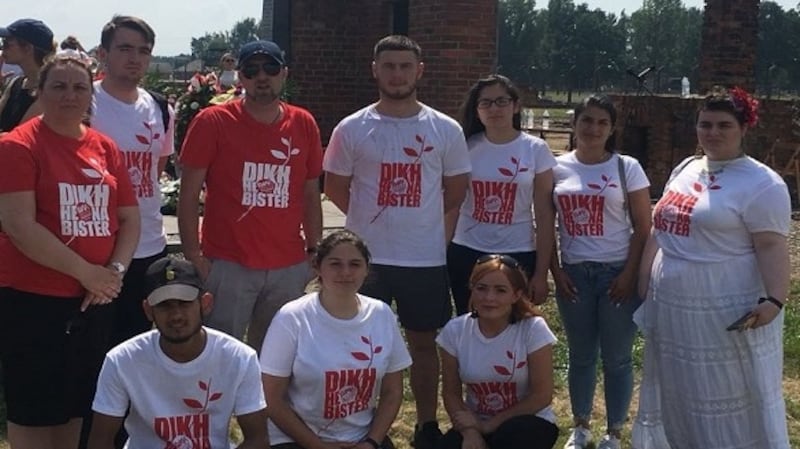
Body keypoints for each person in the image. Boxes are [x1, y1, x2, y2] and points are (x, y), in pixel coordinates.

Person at [323, 34, 471, 449]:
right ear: (375, 70)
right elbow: (335, 187)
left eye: (405, 66)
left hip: (422, 257)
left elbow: (455, 190)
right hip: (365, 259)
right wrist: (371, 220)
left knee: (423, 343)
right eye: (389, 66)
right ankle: (360, 425)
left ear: (419, 71)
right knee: (357, 342)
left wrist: (419, 222)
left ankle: (426, 424)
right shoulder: (352, 127)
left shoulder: (445, 129)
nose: (397, 74)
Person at [632, 86, 791, 449]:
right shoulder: (686, 168)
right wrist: (645, 278)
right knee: (681, 388)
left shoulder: (762, 183)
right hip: (673, 305)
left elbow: (771, 245)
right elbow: (661, 226)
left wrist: (774, 300)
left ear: (743, 128)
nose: (713, 132)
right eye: (705, 124)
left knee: (724, 388)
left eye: (724, 125)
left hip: (723, 305)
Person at [0, 54, 140, 449]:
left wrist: (113, 274)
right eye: (58, 86)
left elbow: (129, 219)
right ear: (40, 91)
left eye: (79, 87)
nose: (70, 95)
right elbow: (20, 226)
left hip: (94, 299)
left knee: (77, 404)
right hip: (33, 298)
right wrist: (87, 273)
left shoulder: (105, 147)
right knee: (34, 408)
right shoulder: (17, 146)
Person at [178, 39, 323, 350]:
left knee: (277, 357)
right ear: (240, 77)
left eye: (270, 68)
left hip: (287, 264)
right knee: (222, 353)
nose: (262, 76)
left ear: (284, 73)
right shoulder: (212, 121)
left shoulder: (303, 123)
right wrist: (194, 255)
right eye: (252, 70)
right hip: (228, 263)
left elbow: (311, 193)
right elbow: (188, 195)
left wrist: (314, 250)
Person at [551, 94, 651, 449]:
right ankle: (580, 426)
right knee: (580, 355)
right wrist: (556, 272)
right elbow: (546, 226)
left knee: (617, 358)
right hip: (574, 274)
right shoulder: (556, 168)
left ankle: (614, 432)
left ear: (612, 129)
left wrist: (629, 274)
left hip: (616, 274)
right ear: (574, 123)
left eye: (602, 123)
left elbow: (643, 226)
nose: (593, 129)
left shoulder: (627, 167)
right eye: (587, 120)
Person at [88, 257, 269, 449]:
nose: (176, 315)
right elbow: (100, 441)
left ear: (205, 303)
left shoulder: (240, 358)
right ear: (148, 310)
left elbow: (258, 440)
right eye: (164, 305)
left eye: (184, 303)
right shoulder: (121, 361)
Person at [260, 229, 411, 449]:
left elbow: (392, 392)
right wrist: (317, 446)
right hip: (296, 439)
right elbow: (272, 398)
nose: (345, 272)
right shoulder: (291, 318)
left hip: (362, 439)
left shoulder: (382, 315)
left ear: (366, 270)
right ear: (317, 268)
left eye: (355, 264)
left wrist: (371, 442)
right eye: (335, 264)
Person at [92, 15, 175, 347]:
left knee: (135, 343)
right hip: (96, 245)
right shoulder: (84, 102)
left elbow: (155, 170)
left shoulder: (160, 108)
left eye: (143, 51)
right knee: (91, 343)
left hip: (148, 244)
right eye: (125, 48)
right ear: (103, 54)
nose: (134, 58)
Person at [448, 74, 556, 315]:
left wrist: (541, 273)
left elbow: (545, 214)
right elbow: (451, 205)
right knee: (470, 322)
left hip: (518, 250)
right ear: (476, 110)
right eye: (485, 103)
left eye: (501, 101)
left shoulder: (535, 149)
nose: (494, 109)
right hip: (466, 249)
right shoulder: (464, 147)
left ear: (515, 106)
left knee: (514, 324)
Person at [438, 254, 559, 449]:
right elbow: (451, 394)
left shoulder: (533, 329)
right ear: (471, 290)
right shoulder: (455, 331)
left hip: (527, 422)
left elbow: (541, 396)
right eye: (481, 288)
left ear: (516, 295)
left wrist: (489, 426)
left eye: (500, 290)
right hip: (475, 423)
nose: (489, 298)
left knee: (512, 437)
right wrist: (471, 432)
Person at [0, 18, 55, 132]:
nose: (2, 48)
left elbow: (18, 136)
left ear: (28, 48)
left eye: (6, 44)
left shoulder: (49, 91)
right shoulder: (16, 83)